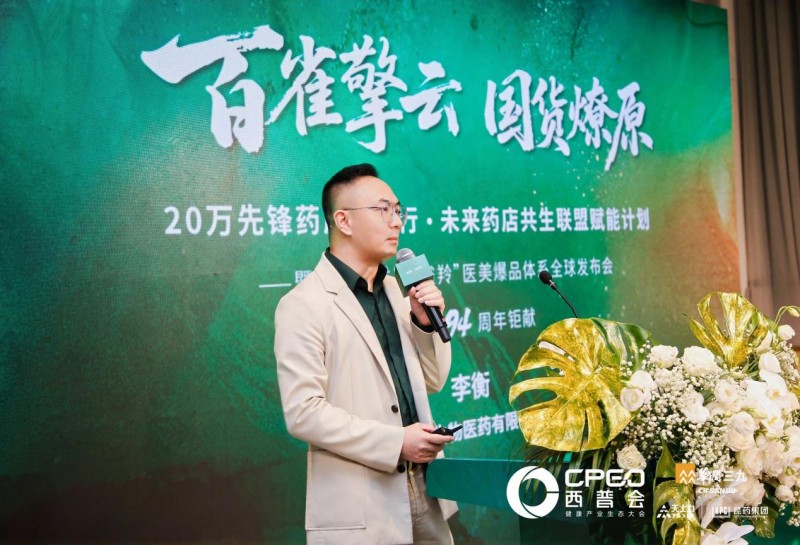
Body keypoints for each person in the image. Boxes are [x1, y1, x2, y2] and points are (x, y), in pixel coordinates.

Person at [274, 163, 457, 545]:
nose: (397, 221)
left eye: (398, 210)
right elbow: (303, 412)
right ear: (344, 220)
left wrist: (425, 325)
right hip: (363, 499)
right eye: (382, 209)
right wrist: (395, 443)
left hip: (427, 488)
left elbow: (434, 380)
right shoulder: (303, 304)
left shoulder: (397, 292)